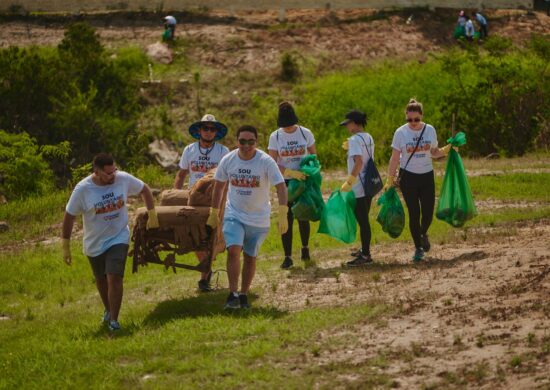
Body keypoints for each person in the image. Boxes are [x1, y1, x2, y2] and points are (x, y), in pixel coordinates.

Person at [61, 153, 159, 331]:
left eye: (114, 171)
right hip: (94, 243)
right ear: (96, 172)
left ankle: (114, 320)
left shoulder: (122, 178)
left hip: (119, 236)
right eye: (108, 173)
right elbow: (69, 216)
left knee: (114, 277)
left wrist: (152, 214)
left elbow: (145, 189)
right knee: (101, 280)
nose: (113, 175)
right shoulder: (83, 189)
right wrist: (65, 246)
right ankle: (108, 309)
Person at [207, 125, 288, 310]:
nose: (246, 145)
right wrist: (214, 212)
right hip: (234, 214)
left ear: (256, 142)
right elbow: (219, 186)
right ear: (237, 141)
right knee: (234, 250)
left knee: (250, 257)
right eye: (242, 141)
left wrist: (283, 212)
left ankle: (243, 294)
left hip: (259, 218)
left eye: (250, 141)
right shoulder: (228, 160)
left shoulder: (266, 161)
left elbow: (281, 186)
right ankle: (232, 294)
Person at [384, 99, 450, 262]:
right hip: (408, 177)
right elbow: (394, 158)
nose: (413, 123)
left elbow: (434, 152)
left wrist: (449, 149)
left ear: (421, 116)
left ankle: (422, 233)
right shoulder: (400, 133)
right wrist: (389, 179)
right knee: (414, 213)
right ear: (406, 117)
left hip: (427, 175)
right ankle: (418, 248)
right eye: (409, 119)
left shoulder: (430, 130)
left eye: (416, 119)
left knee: (428, 212)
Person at [174, 114, 230, 292]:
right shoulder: (189, 150)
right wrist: (176, 194)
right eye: (205, 128)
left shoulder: (223, 152)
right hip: (194, 198)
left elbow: (228, 178)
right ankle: (207, 271)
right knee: (196, 238)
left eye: (212, 129)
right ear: (199, 130)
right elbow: (182, 174)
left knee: (212, 237)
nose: (208, 132)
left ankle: (204, 277)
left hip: (216, 199)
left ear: (216, 132)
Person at [268, 102, 316, 269]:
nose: (288, 129)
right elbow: (272, 162)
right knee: (285, 217)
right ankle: (287, 256)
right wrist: (290, 173)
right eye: (285, 126)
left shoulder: (305, 133)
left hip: (302, 179)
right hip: (285, 182)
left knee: (303, 214)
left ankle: (305, 248)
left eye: (290, 125)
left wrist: (308, 172)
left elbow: (313, 156)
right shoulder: (275, 137)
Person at [339, 110, 375, 266]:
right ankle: (364, 249)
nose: (347, 126)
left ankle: (366, 255)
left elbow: (358, 162)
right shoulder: (368, 137)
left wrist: (349, 181)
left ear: (354, 123)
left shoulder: (354, 139)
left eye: (348, 123)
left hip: (359, 186)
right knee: (364, 219)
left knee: (363, 221)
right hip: (369, 183)